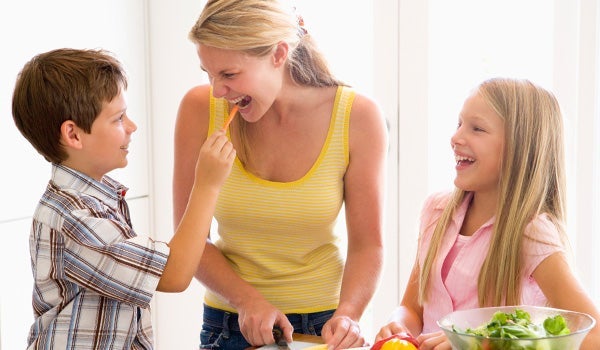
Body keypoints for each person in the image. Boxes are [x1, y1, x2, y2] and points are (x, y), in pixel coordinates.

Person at [172, 0, 387, 349]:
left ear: (278, 54)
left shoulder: (358, 118)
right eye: (208, 73)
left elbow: (368, 245)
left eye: (228, 74)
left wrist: (349, 314)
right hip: (229, 326)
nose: (216, 90)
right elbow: (189, 240)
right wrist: (246, 300)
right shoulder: (199, 110)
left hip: (323, 327)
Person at [12, 48, 235, 349]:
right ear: (73, 135)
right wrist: (206, 185)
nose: (132, 127)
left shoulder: (95, 200)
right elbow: (174, 275)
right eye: (118, 119)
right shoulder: (75, 220)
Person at [374, 78, 600, 350]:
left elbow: (594, 335)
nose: (456, 138)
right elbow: (412, 307)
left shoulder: (532, 232)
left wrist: (477, 341)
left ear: (520, 147)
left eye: (477, 128)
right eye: (459, 124)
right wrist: (398, 323)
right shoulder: (436, 211)